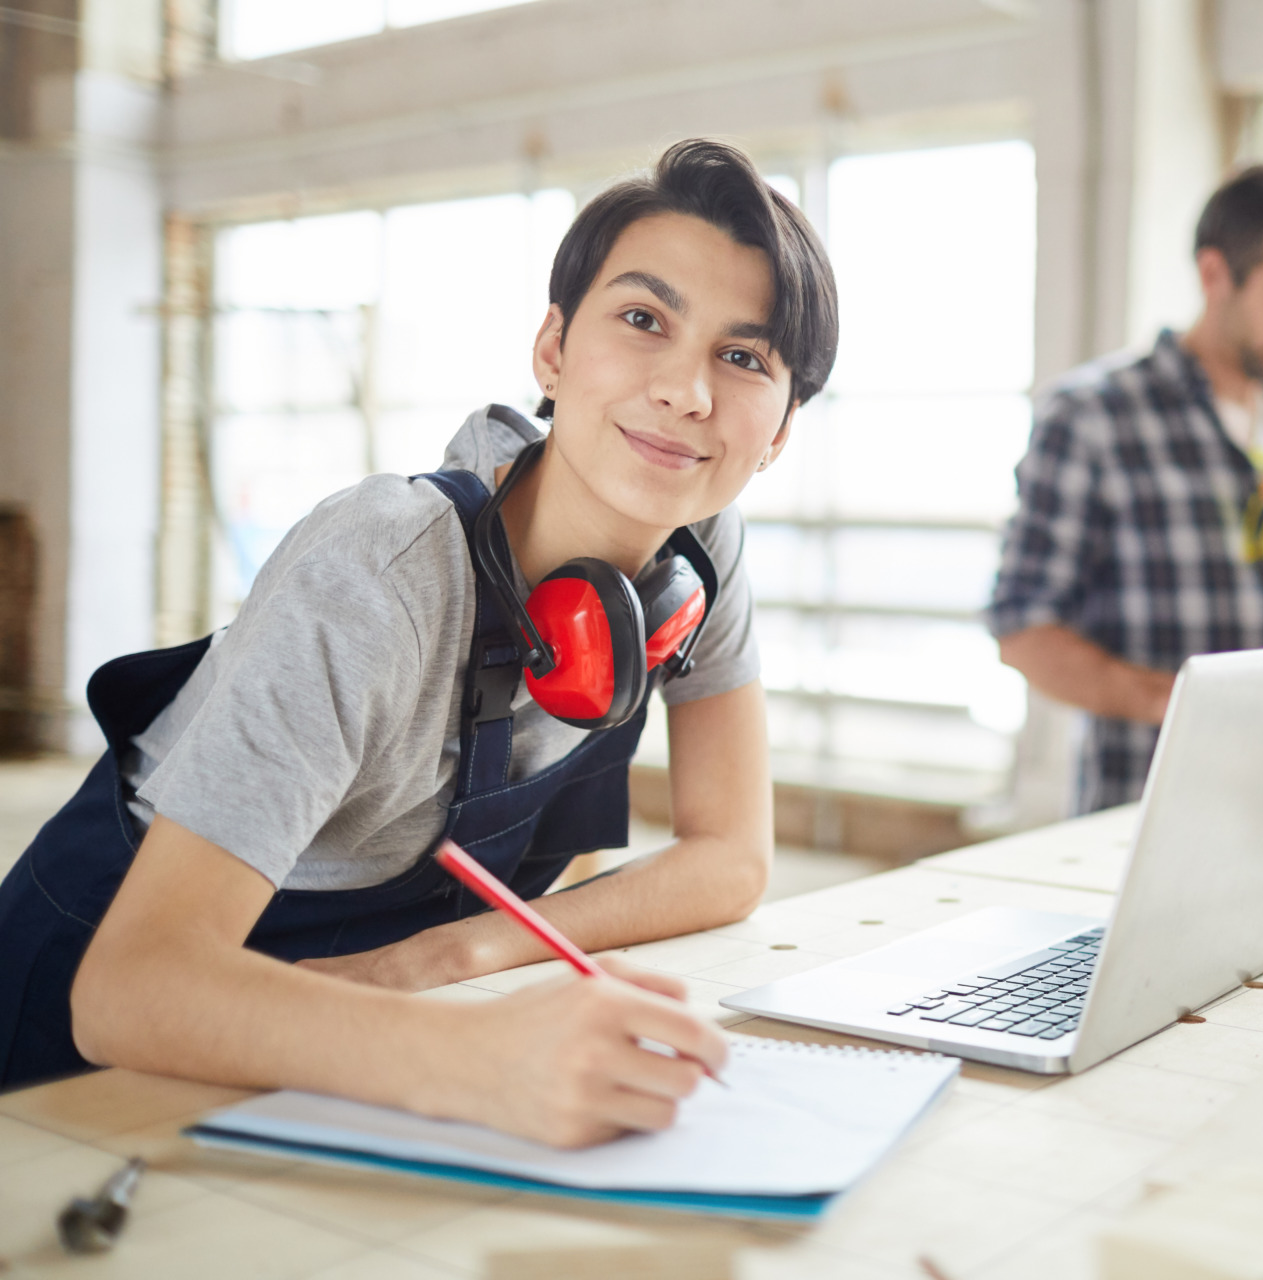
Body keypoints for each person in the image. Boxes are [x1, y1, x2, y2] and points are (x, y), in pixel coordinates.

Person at [0, 139, 839, 1148]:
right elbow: (130, 990)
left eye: (743, 357)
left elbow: (731, 858)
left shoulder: (700, 545)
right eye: (643, 319)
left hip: (358, 1016)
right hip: (90, 1012)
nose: (687, 391)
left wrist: (451, 958)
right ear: (553, 348)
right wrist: (474, 1055)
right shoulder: (380, 570)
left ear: (782, 427)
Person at [989, 165, 1263, 813]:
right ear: (1215, 275)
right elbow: (1023, 627)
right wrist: (1182, 704)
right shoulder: (1094, 415)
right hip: (1146, 809)